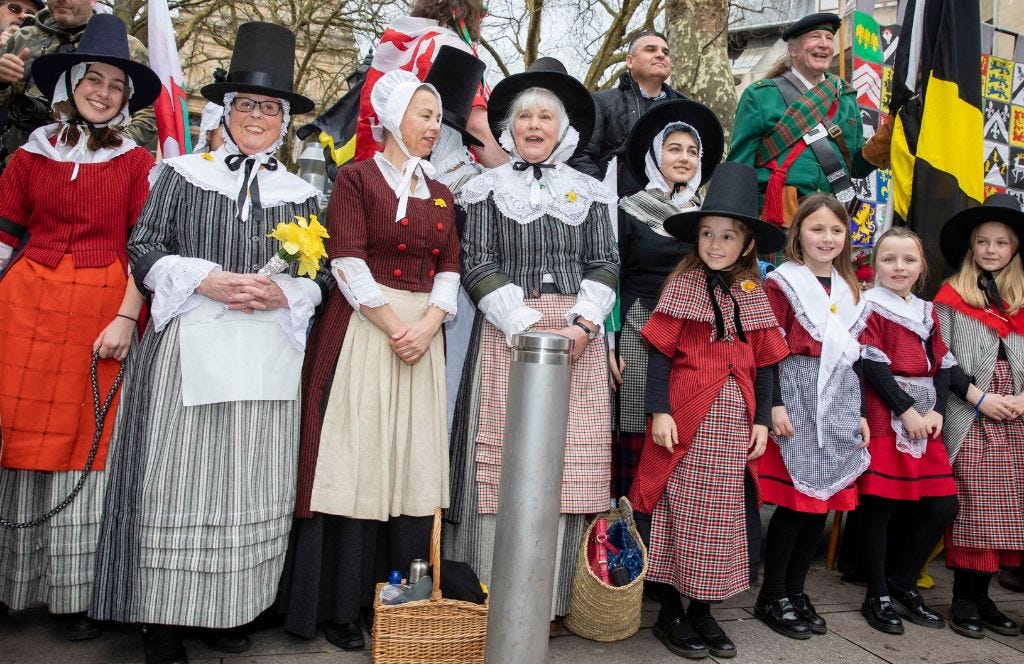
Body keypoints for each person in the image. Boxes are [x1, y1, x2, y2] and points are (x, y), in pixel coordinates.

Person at [88, 22, 324, 664]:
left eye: (270, 107)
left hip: (263, 360)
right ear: (225, 109)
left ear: (283, 122)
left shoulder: (302, 194)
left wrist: (284, 294)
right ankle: (160, 619)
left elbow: (316, 276)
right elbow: (143, 250)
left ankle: (226, 609)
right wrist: (209, 280)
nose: (257, 116)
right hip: (186, 350)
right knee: (175, 480)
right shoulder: (180, 172)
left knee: (244, 484)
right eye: (247, 104)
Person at [282, 69, 460, 652]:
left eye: (437, 117)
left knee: (407, 466)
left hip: (419, 337)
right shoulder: (356, 178)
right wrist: (397, 327)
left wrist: (429, 326)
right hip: (365, 329)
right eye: (425, 114)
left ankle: (394, 604)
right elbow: (347, 260)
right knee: (356, 465)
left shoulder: (441, 191)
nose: (435, 126)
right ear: (392, 117)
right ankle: (339, 606)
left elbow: (450, 268)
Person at [0, 12, 158, 639]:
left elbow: (146, 249)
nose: (103, 90)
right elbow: (5, 233)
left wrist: (127, 317)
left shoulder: (137, 163)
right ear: (68, 83)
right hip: (23, 308)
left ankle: (76, 600)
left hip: (100, 313)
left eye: (116, 85)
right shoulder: (27, 157)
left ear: (126, 100)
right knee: (15, 439)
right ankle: (13, 588)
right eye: (93, 78)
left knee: (85, 447)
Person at [445, 57, 619, 625]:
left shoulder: (591, 194)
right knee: (501, 458)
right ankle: (494, 594)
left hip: (577, 340)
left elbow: (606, 263)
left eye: (547, 116)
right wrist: (522, 324)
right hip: (506, 335)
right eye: (526, 118)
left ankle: (555, 600)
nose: (535, 126)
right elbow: (478, 262)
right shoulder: (484, 190)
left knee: (570, 464)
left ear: (563, 129)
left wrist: (580, 325)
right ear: (509, 130)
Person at [629, 162, 788, 659]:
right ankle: (672, 611)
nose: (716, 244)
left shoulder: (753, 295)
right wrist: (659, 411)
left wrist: (762, 418)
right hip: (685, 420)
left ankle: (703, 608)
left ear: (747, 246)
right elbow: (660, 353)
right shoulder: (682, 287)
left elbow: (765, 366)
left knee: (720, 518)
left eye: (728, 236)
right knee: (679, 511)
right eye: (707, 234)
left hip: (733, 427)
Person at [755, 194, 870, 640]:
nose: (827, 238)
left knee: (821, 507)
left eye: (835, 230)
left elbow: (855, 357)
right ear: (798, 233)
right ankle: (773, 594)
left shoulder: (850, 289)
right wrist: (775, 403)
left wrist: (858, 412)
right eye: (817, 228)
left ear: (846, 237)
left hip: (839, 393)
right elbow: (768, 349)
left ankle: (796, 590)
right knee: (795, 505)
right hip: (797, 392)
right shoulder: (782, 284)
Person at [611, 98, 724, 497]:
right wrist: (609, 341)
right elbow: (612, 275)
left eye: (693, 151)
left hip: (690, 341)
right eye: (674, 148)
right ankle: (629, 541)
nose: (685, 158)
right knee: (639, 434)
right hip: (638, 330)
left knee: (681, 433)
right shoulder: (627, 209)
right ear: (655, 156)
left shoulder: (708, 219)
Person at [855, 227, 959, 634]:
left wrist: (938, 412)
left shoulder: (926, 310)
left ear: (921, 266)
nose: (899, 267)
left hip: (924, 419)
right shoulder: (869, 306)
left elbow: (943, 365)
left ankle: (903, 580)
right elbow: (872, 365)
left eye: (909, 260)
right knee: (880, 505)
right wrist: (907, 411)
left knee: (942, 506)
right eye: (889, 259)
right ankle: (876, 593)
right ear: (875, 264)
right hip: (885, 416)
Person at [933, 194, 1024, 640]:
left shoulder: (1022, 301)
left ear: (1014, 250)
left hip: (1018, 414)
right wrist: (979, 397)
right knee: (976, 508)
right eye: (982, 242)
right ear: (971, 248)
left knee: (1010, 509)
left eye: (1001, 242)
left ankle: (986, 597)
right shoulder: (951, 297)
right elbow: (941, 356)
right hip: (972, 413)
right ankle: (964, 598)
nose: (991, 249)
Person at [727, 12, 890, 226]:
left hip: (830, 218)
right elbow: (739, 167)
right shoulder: (760, 96)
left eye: (829, 38)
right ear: (793, 49)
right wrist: (736, 223)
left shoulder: (846, 97)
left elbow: (855, 168)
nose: (824, 44)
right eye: (815, 37)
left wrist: (890, 134)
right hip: (779, 218)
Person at [0, 0, 156, 161]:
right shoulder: (23, 38)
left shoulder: (124, 46)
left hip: (95, 170)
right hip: (17, 159)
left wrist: (106, 149)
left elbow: (149, 112)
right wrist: (1, 81)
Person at [354, 0, 504, 167]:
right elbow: (476, 125)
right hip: (431, 177)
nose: (481, 20)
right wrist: (513, 177)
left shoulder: (397, 47)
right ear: (464, 11)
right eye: (482, 12)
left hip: (377, 168)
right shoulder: (453, 48)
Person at [573, 30, 685, 195]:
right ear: (630, 61)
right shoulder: (600, 102)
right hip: (616, 211)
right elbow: (581, 157)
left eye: (665, 52)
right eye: (650, 49)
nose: (660, 55)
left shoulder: (686, 110)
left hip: (671, 210)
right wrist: (605, 199)